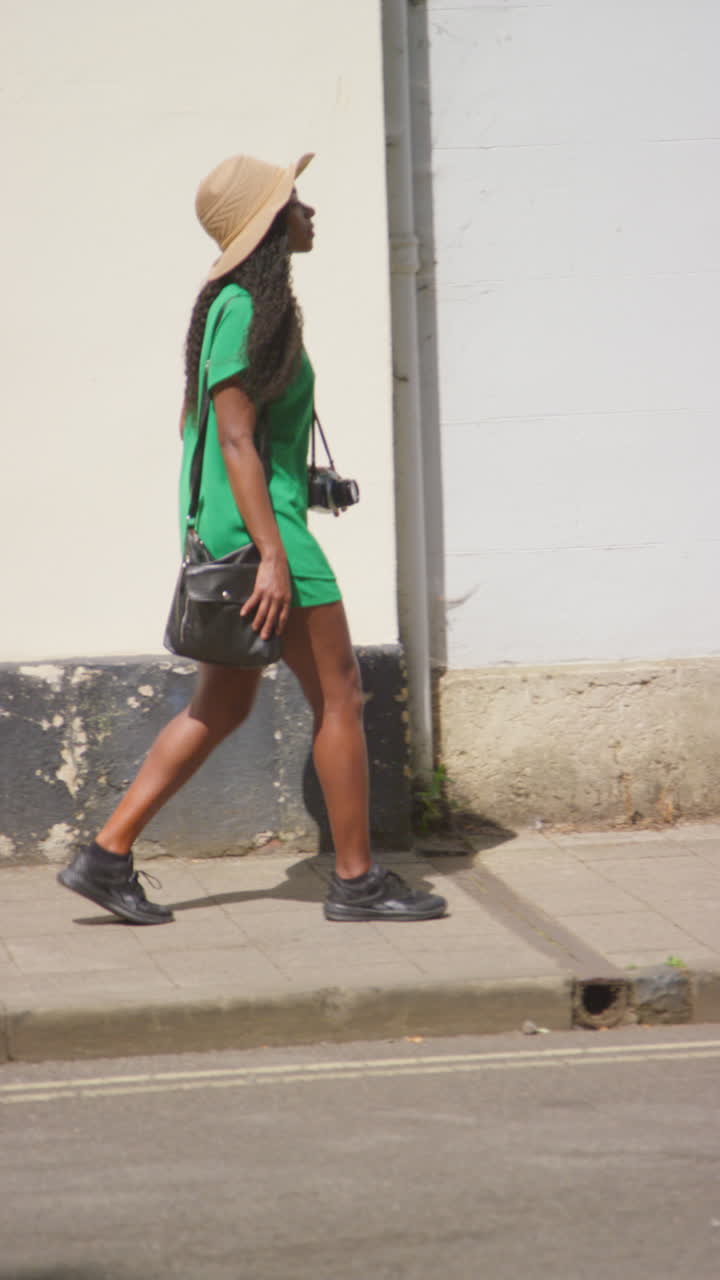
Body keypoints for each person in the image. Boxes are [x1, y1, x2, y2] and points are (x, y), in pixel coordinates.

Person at [58, 151, 447, 927]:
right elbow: (232, 439)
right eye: (296, 203)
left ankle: (105, 857)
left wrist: (299, 487)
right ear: (270, 225)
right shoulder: (243, 306)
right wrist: (273, 553)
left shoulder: (243, 305)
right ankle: (357, 880)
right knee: (341, 697)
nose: (310, 213)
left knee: (221, 706)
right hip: (265, 543)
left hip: (252, 528)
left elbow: (228, 434)